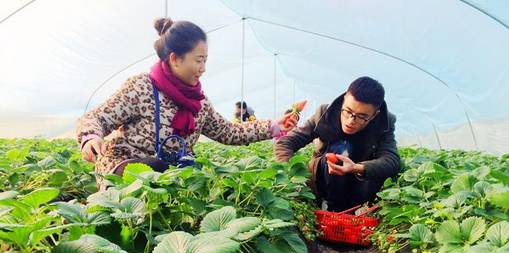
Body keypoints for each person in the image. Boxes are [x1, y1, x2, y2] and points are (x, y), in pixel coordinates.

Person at [77, 17, 296, 188]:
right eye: (198, 60)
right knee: (153, 168)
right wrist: (90, 137)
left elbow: (228, 132)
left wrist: (274, 126)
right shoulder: (141, 87)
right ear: (174, 59)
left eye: (205, 60)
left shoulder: (198, 102)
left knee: (200, 180)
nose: (203, 68)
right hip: (127, 173)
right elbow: (96, 117)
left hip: (176, 173)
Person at [274, 77, 400, 211]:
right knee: (336, 154)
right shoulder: (325, 113)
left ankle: (348, 210)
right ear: (344, 99)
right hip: (323, 180)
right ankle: (325, 206)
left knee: (376, 171)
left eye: (362, 116)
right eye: (347, 111)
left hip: (357, 186)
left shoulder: (384, 123)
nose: (351, 121)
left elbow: (391, 160)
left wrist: (356, 168)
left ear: (375, 115)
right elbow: (286, 142)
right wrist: (287, 176)